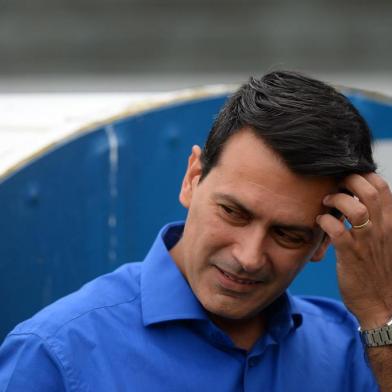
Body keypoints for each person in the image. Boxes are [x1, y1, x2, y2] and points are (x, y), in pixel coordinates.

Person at [0, 70, 391, 391]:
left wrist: (379, 313)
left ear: (324, 240)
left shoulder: (355, 353)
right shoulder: (53, 355)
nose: (248, 257)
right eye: (233, 212)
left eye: (287, 234)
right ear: (192, 179)